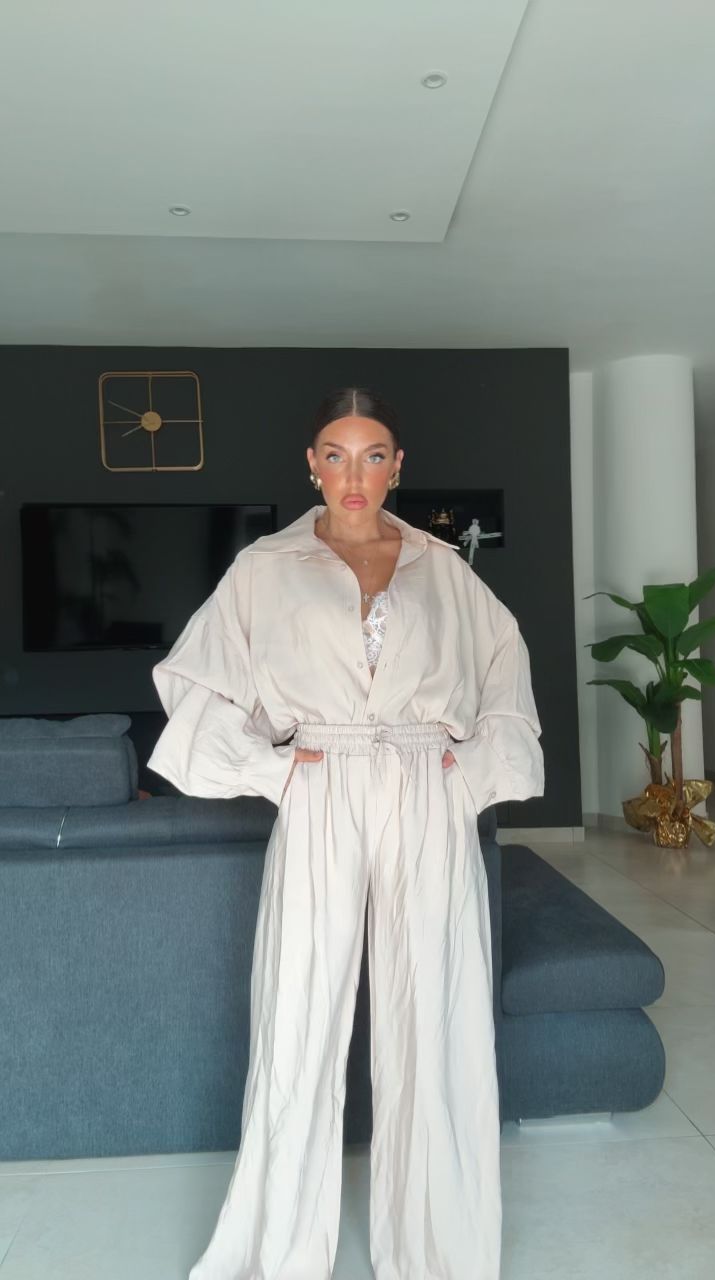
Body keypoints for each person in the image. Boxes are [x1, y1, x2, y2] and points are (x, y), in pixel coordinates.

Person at [147, 386, 545, 1280]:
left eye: (372, 455)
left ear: (397, 466)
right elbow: (195, 679)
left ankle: (440, 1250)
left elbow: (504, 677)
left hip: (426, 787)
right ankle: (281, 1250)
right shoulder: (264, 568)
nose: (353, 473)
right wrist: (273, 770)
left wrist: (469, 773)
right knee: (297, 1015)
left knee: (435, 1012)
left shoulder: (444, 569)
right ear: (312, 465)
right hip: (320, 784)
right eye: (335, 453)